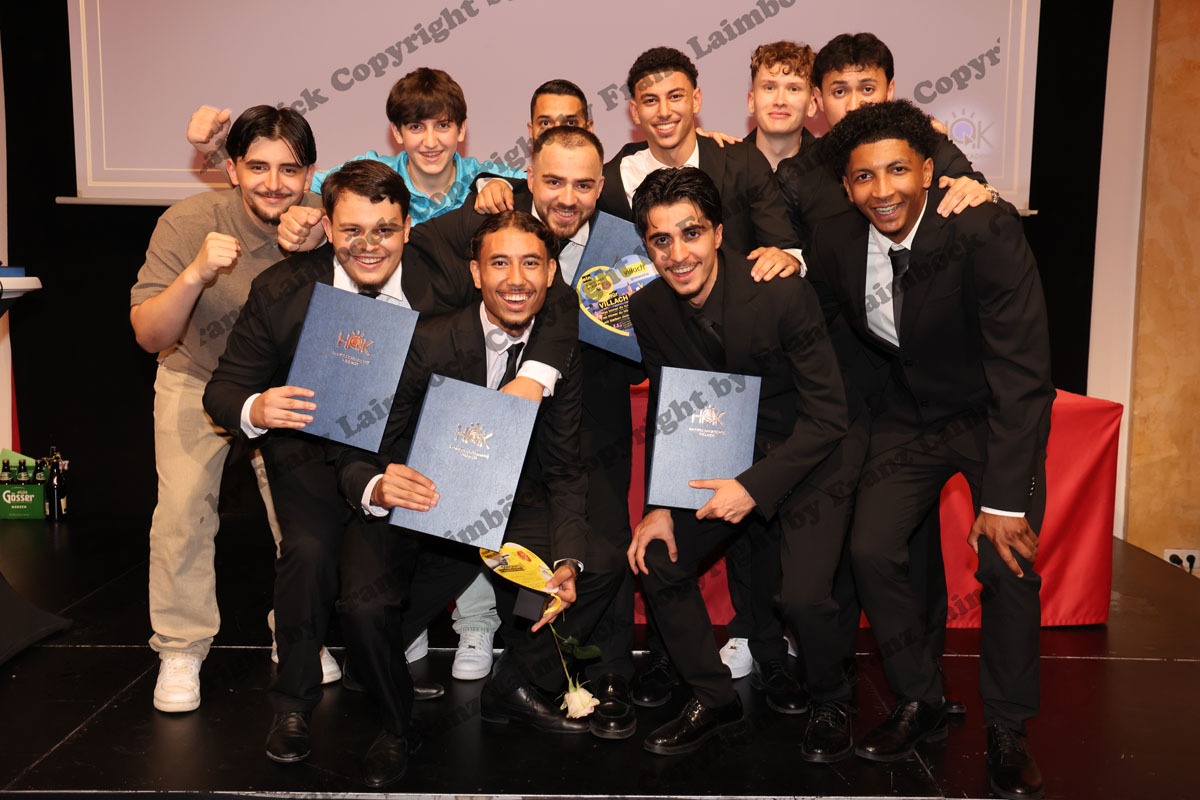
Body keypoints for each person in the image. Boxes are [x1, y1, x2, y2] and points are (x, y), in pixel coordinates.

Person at [202, 160, 573, 779]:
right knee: (311, 555)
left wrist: (535, 375)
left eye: (384, 230)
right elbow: (223, 390)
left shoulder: (440, 274)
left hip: (405, 452)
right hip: (310, 452)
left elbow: (549, 295)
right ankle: (293, 704)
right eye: (351, 230)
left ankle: (384, 677)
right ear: (327, 227)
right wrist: (256, 407)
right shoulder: (282, 288)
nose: (368, 245)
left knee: (393, 581)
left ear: (407, 228)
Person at [811, 99, 1052, 800]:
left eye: (896, 171)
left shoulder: (982, 227)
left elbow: (1022, 369)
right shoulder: (835, 240)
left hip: (992, 416)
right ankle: (921, 698)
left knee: (1006, 563)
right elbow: (822, 328)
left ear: (926, 170)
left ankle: (1008, 727)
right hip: (908, 417)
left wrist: (1003, 501)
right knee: (870, 549)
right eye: (863, 177)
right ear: (846, 185)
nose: (881, 190)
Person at [332, 210, 623, 786]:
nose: (516, 279)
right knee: (365, 609)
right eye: (500, 263)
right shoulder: (426, 340)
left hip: (506, 502)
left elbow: (565, 466)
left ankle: (513, 683)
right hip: (417, 498)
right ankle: (395, 725)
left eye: (531, 264)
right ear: (475, 273)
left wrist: (566, 560)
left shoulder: (558, 353)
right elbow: (359, 442)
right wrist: (378, 484)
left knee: (599, 563)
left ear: (550, 273)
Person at [778, 32, 1014, 718]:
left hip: (930, 382)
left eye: (867, 88)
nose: (854, 102)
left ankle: (925, 686)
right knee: (859, 545)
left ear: (890, 90)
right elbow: (799, 263)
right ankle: (846, 684)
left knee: (913, 549)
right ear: (818, 100)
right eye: (839, 90)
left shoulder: (927, 148)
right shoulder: (799, 173)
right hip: (849, 387)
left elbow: (978, 203)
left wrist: (977, 187)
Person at [627, 166, 854, 759]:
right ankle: (714, 695)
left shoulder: (781, 291)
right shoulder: (648, 308)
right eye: (660, 240)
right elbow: (670, 406)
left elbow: (829, 416)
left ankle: (832, 699)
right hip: (720, 453)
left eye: (692, 233)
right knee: (656, 557)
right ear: (647, 246)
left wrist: (753, 487)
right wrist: (659, 504)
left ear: (719, 233)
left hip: (808, 455)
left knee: (802, 597)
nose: (678, 254)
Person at [129, 105, 335, 714]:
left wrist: (325, 237)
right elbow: (148, 334)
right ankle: (180, 647)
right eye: (258, 167)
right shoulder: (188, 221)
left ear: (310, 174)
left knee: (303, 523)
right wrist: (196, 274)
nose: (274, 183)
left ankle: (294, 631)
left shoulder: (324, 216)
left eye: (290, 170)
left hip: (283, 390)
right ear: (231, 168)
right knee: (183, 512)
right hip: (196, 376)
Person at [186, 67, 523, 226]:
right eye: (416, 127)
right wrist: (216, 148)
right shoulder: (367, 172)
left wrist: (502, 186)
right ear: (397, 132)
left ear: (462, 130)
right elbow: (281, 189)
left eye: (443, 126)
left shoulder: (486, 177)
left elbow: (544, 188)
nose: (431, 141)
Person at [598, 46, 803, 282]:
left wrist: (788, 259)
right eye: (651, 100)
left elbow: (785, 249)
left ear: (696, 100)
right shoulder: (612, 183)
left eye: (675, 96)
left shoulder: (742, 162)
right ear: (635, 111)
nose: (664, 112)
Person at [745, 40, 819, 171]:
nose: (780, 101)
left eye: (793, 89)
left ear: (812, 105)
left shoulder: (834, 172)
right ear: (751, 101)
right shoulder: (721, 169)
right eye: (769, 88)